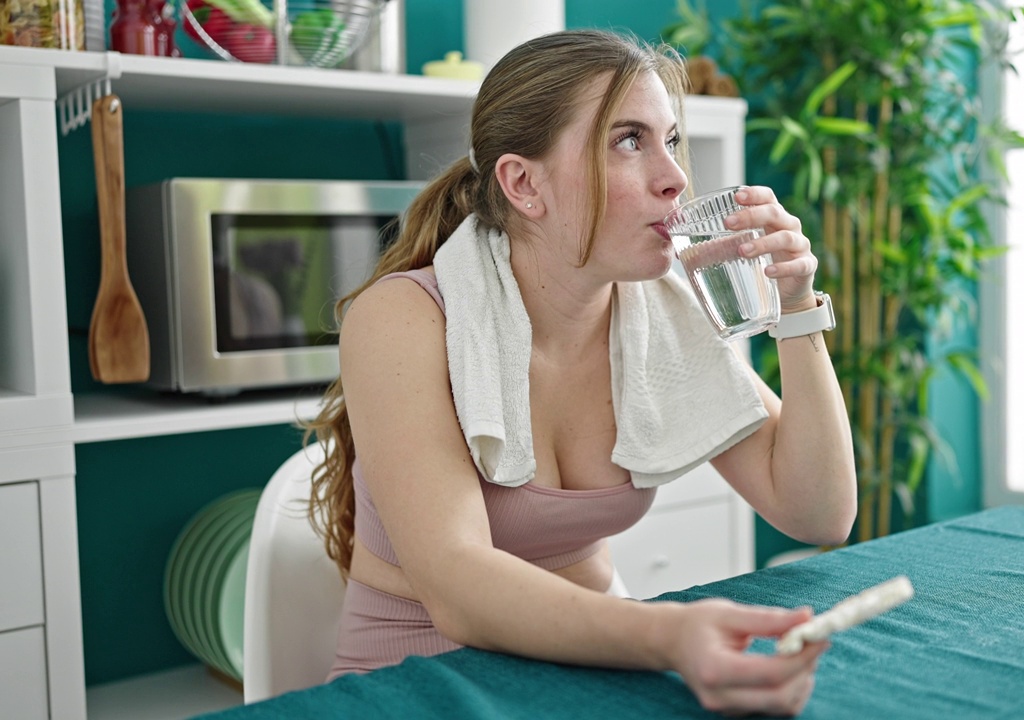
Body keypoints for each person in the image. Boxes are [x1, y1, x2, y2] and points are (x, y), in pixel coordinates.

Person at [304, 28, 856, 717]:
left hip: (595, 666)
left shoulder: (662, 314)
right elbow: (457, 589)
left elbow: (818, 512)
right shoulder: (403, 318)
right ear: (523, 183)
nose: (675, 177)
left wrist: (797, 308)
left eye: (672, 140)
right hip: (417, 675)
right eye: (629, 140)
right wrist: (671, 634)